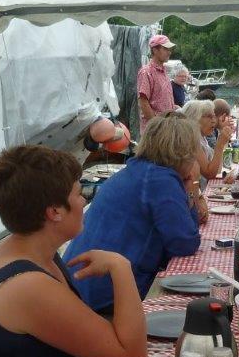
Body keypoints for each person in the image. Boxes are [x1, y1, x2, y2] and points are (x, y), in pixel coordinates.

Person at [0, 145, 146, 357]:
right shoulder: (26, 286)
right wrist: (120, 267)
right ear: (54, 212)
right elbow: (130, 350)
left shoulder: (19, 249)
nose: (83, 201)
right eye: (79, 193)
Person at [64, 114, 205, 314]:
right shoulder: (160, 180)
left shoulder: (138, 170)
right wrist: (191, 189)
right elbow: (185, 243)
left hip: (77, 286)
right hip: (104, 296)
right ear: (184, 153)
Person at [182, 100, 233, 191]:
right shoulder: (191, 141)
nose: (214, 121)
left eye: (214, 116)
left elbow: (217, 170)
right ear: (194, 118)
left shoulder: (202, 138)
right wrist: (220, 145)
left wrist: (222, 142)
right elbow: (209, 173)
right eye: (209, 117)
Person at [137, 35, 176, 133]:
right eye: (165, 49)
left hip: (167, 127)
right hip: (155, 130)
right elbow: (143, 101)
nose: (169, 52)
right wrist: (156, 125)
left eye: (169, 49)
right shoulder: (146, 72)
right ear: (155, 50)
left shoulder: (163, 72)